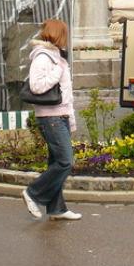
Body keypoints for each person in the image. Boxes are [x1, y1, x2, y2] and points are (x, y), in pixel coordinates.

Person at [20, 19, 81, 222]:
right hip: (51, 116)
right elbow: (36, 86)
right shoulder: (43, 57)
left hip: (59, 115)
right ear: (58, 34)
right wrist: (57, 72)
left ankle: (57, 208)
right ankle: (33, 193)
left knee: (56, 162)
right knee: (65, 162)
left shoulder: (57, 56)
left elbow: (66, 93)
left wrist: (70, 118)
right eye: (65, 33)